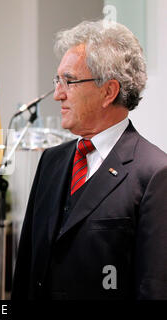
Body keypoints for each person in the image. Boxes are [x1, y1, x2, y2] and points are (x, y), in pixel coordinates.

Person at [12, 20, 167, 300]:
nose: (58, 94)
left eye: (68, 81)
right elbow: (26, 268)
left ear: (108, 91)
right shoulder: (52, 161)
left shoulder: (154, 173)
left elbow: (154, 286)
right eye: (57, 81)